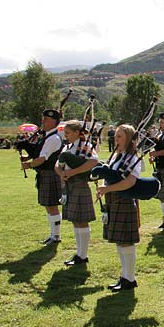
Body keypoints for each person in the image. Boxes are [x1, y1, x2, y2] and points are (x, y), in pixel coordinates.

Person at [96, 124, 142, 291]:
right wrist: (103, 186)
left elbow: (130, 182)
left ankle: (130, 278)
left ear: (129, 139)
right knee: (119, 242)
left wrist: (107, 189)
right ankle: (124, 276)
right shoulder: (117, 156)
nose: (116, 139)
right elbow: (108, 174)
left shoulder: (133, 158)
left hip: (125, 201)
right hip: (113, 201)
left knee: (126, 242)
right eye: (116, 136)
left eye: (120, 136)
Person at [55, 120, 99, 265]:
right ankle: (79, 254)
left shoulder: (86, 146)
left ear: (76, 133)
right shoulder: (67, 146)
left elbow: (93, 162)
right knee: (75, 220)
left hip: (80, 185)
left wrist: (73, 172)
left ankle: (83, 255)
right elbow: (57, 165)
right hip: (69, 186)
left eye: (67, 132)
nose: (65, 135)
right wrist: (61, 173)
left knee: (81, 220)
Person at [20, 109, 64, 246]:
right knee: (48, 205)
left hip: (50, 174)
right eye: (43, 119)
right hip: (45, 174)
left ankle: (56, 236)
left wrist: (29, 165)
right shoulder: (47, 136)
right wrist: (27, 156)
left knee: (52, 205)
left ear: (54, 122)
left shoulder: (53, 138)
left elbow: (42, 159)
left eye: (46, 120)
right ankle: (52, 234)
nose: (43, 122)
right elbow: (39, 153)